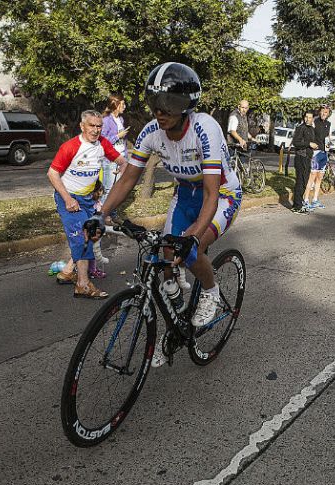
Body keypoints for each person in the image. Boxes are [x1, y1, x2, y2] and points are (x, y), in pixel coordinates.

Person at [89, 62, 243, 365]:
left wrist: (195, 236)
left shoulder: (205, 128)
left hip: (221, 195)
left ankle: (210, 291)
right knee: (164, 252)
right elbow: (128, 179)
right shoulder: (151, 132)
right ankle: (176, 319)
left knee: (189, 246)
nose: (160, 111)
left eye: (169, 104)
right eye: (155, 103)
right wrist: (101, 213)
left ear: (186, 106)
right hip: (185, 193)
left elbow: (212, 194)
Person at [47, 109, 126, 299]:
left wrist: (120, 171)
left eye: (99, 126)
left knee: (91, 235)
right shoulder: (70, 147)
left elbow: (123, 162)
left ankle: (67, 271)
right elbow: (52, 173)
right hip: (69, 198)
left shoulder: (103, 144)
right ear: (82, 126)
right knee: (83, 237)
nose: (96, 130)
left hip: (88, 199)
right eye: (92, 125)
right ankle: (82, 284)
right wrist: (68, 199)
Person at [100, 93, 130, 226]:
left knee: (117, 189)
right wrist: (118, 135)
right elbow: (102, 140)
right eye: (122, 104)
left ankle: (112, 213)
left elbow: (123, 142)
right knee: (108, 188)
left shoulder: (121, 120)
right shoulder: (106, 120)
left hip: (121, 158)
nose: (124, 106)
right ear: (116, 105)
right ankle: (103, 214)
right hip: (110, 159)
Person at [291, 111, 318, 214]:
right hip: (300, 157)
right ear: (304, 118)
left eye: (310, 117)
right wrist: (309, 144)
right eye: (306, 117)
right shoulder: (300, 128)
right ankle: (297, 206)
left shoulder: (311, 129)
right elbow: (296, 143)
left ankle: (299, 203)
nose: (307, 119)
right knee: (300, 182)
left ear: (312, 119)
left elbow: (314, 141)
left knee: (305, 182)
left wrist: (317, 145)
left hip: (307, 158)